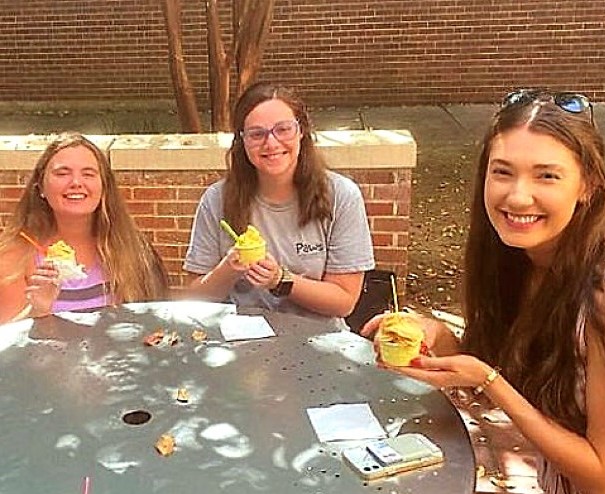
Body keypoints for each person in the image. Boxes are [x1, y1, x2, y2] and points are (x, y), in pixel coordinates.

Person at [364, 90, 605, 494]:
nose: (519, 196)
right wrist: (433, 340)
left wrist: (491, 381)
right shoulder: (524, 269)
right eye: (503, 172)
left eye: (546, 175)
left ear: (587, 185)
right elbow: (485, 363)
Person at [183, 81, 375, 325]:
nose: (271, 143)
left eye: (283, 129)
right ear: (242, 141)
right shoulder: (216, 200)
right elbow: (196, 298)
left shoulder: (341, 196)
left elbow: (344, 301)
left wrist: (282, 280)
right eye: (257, 134)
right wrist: (228, 269)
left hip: (318, 342)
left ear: (301, 131)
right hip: (238, 341)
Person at [0, 133, 168, 323]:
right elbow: (7, 343)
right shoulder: (14, 257)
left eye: (88, 174)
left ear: (104, 187)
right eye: (62, 173)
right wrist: (37, 311)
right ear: (40, 188)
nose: (76, 183)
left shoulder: (132, 248)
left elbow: (154, 325)